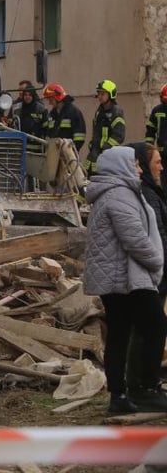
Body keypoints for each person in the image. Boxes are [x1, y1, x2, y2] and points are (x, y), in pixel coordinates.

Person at [84, 146, 167, 414]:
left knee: (120, 334)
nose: (140, 169)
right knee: (155, 326)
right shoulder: (119, 195)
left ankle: (119, 397)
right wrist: (157, 261)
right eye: (136, 164)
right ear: (121, 166)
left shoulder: (114, 193)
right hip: (125, 278)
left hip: (119, 277)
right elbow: (134, 238)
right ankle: (145, 389)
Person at [126, 142, 167, 396]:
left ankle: (143, 384)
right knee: (150, 328)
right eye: (156, 162)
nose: (161, 166)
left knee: (150, 327)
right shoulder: (147, 194)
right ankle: (143, 385)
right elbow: (157, 237)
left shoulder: (154, 191)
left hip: (156, 271)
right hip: (152, 273)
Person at [87, 79, 126, 175]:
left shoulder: (116, 112)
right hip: (95, 153)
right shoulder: (99, 111)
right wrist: (93, 144)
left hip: (107, 155)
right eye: (99, 94)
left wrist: (106, 147)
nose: (99, 97)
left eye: (102, 94)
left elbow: (119, 135)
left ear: (111, 94)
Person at [41, 83, 86, 151]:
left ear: (57, 98)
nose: (50, 103)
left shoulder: (73, 112)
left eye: (51, 100)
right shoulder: (52, 114)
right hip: (54, 153)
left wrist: (72, 150)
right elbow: (49, 134)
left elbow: (80, 137)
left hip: (68, 154)